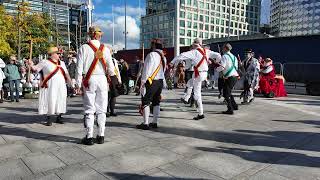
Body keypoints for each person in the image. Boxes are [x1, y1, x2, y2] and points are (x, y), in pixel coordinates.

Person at [76, 26, 115, 145]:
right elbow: (111, 69)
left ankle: (89, 137)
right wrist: (112, 78)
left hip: (89, 79)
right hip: (102, 79)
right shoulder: (106, 49)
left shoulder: (83, 48)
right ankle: (101, 135)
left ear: (90, 35)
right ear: (100, 35)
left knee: (89, 109)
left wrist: (78, 83)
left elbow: (79, 68)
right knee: (102, 109)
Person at [170, 38, 221, 120]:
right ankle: (186, 98)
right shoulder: (207, 51)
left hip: (199, 73)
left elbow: (181, 55)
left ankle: (200, 113)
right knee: (190, 82)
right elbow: (218, 55)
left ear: (194, 44)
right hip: (203, 73)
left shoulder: (194, 52)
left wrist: (172, 62)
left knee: (197, 94)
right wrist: (216, 61)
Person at [27, 47, 72, 126]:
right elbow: (35, 69)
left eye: (59, 53)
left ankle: (59, 116)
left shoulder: (62, 63)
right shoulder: (45, 62)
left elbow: (67, 74)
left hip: (61, 85)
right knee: (51, 99)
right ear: (52, 54)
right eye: (58, 53)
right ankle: (49, 118)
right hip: (51, 85)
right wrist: (31, 64)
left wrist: (71, 83)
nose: (59, 54)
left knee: (61, 99)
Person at [137, 38, 166, 130]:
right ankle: (154, 122)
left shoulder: (151, 54)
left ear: (153, 45)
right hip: (160, 81)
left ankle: (145, 123)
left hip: (151, 81)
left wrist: (142, 82)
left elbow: (147, 69)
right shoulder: (163, 57)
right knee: (156, 102)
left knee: (146, 101)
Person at [215, 43, 239, 115]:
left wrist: (217, 69)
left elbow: (222, 67)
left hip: (230, 77)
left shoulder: (224, 56)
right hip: (235, 77)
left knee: (226, 94)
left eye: (223, 48)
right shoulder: (234, 57)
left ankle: (230, 109)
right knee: (228, 92)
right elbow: (236, 68)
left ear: (225, 49)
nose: (222, 50)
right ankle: (234, 106)